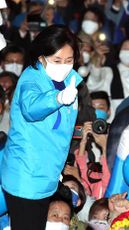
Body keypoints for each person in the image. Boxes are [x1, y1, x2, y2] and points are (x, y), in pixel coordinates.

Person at [1, 25, 82, 229]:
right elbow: (30, 108)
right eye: (57, 60)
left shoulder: (69, 81)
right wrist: (57, 98)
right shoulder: (32, 78)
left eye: (69, 60)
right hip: (25, 175)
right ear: (41, 58)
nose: (63, 65)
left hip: (47, 174)